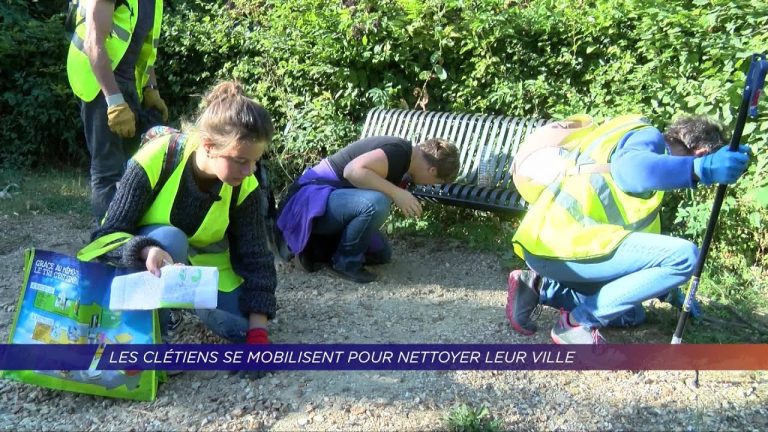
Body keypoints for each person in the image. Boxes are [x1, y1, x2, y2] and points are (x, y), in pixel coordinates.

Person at [506, 115, 751, 344]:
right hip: (562, 244)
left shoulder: (642, 160)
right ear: (701, 153)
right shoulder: (647, 136)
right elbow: (632, 170)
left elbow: (640, 257)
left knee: (630, 314)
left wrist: (668, 291)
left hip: (553, 246)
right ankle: (576, 324)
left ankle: (539, 287)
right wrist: (699, 170)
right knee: (686, 258)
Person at [79, 81, 277, 352]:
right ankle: (154, 341)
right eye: (241, 161)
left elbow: (256, 257)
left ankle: (179, 302)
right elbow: (105, 237)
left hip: (200, 269)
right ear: (208, 145)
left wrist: (258, 337)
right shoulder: (156, 157)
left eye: (255, 161)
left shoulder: (247, 185)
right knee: (170, 239)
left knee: (240, 329)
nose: (249, 171)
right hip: (145, 259)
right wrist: (145, 250)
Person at [276, 136, 460, 283]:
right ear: (433, 171)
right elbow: (352, 171)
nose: (431, 185)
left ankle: (313, 247)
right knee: (376, 203)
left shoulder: (406, 163)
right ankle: (345, 264)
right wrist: (397, 193)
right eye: (437, 183)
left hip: (329, 202)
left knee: (381, 253)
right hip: (307, 200)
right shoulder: (399, 151)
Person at [67, 0, 168, 221]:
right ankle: (107, 241)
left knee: (136, 167)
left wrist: (151, 89)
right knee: (108, 169)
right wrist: (114, 101)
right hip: (98, 80)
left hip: (128, 81)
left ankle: (127, 230)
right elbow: (93, 43)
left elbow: (145, 50)